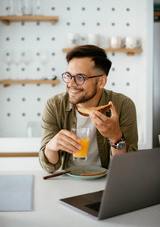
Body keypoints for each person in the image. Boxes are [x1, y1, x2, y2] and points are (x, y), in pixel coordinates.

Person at [39, 45, 138, 173]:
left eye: (80, 77)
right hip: (68, 181)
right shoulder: (54, 106)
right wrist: (51, 148)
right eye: (68, 75)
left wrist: (116, 137)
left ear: (101, 81)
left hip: (105, 184)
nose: (71, 84)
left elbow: (126, 168)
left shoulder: (124, 105)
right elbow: (49, 166)